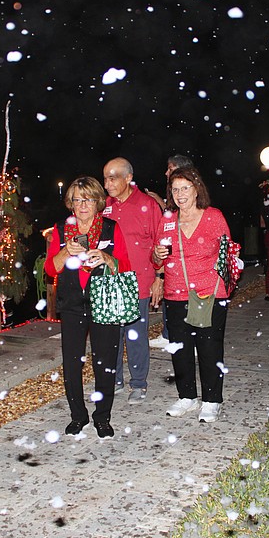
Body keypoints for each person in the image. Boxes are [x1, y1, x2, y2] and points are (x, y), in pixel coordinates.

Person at [44, 176, 131, 439]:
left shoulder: (110, 228)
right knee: (72, 364)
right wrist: (65, 252)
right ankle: (77, 415)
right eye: (78, 200)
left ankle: (102, 417)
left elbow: (125, 266)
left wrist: (106, 258)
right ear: (71, 203)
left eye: (89, 200)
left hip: (103, 302)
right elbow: (50, 269)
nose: (83, 205)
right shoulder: (61, 229)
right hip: (72, 304)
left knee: (105, 363)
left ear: (98, 203)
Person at [152, 166, 232, 423]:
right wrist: (157, 256)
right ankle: (187, 396)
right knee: (180, 349)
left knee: (209, 347)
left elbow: (228, 253)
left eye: (185, 188)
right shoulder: (168, 220)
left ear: (197, 189)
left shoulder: (213, 217)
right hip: (175, 295)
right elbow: (156, 260)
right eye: (175, 189)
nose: (180, 194)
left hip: (209, 294)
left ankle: (212, 400)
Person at [102, 157, 163, 403]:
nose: (107, 184)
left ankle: (138, 383)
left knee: (135, 335)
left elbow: (161, 243)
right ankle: (114, 380)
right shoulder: (105, 205)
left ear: (128, 178)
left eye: (112, 178)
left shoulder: (147, 205)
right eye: (105, 178)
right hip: (110, 281)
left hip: (138, 281)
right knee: (111, 335)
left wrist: (159, 277)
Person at [147, 154, 194, 349]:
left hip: (190, 264)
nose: (166, 172)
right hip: (171, 261)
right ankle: (169, 334)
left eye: (171, 168)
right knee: (170, 292)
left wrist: (159, 201)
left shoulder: (194, 197)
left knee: (188, 298)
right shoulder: (171, 199)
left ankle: (191, 340)